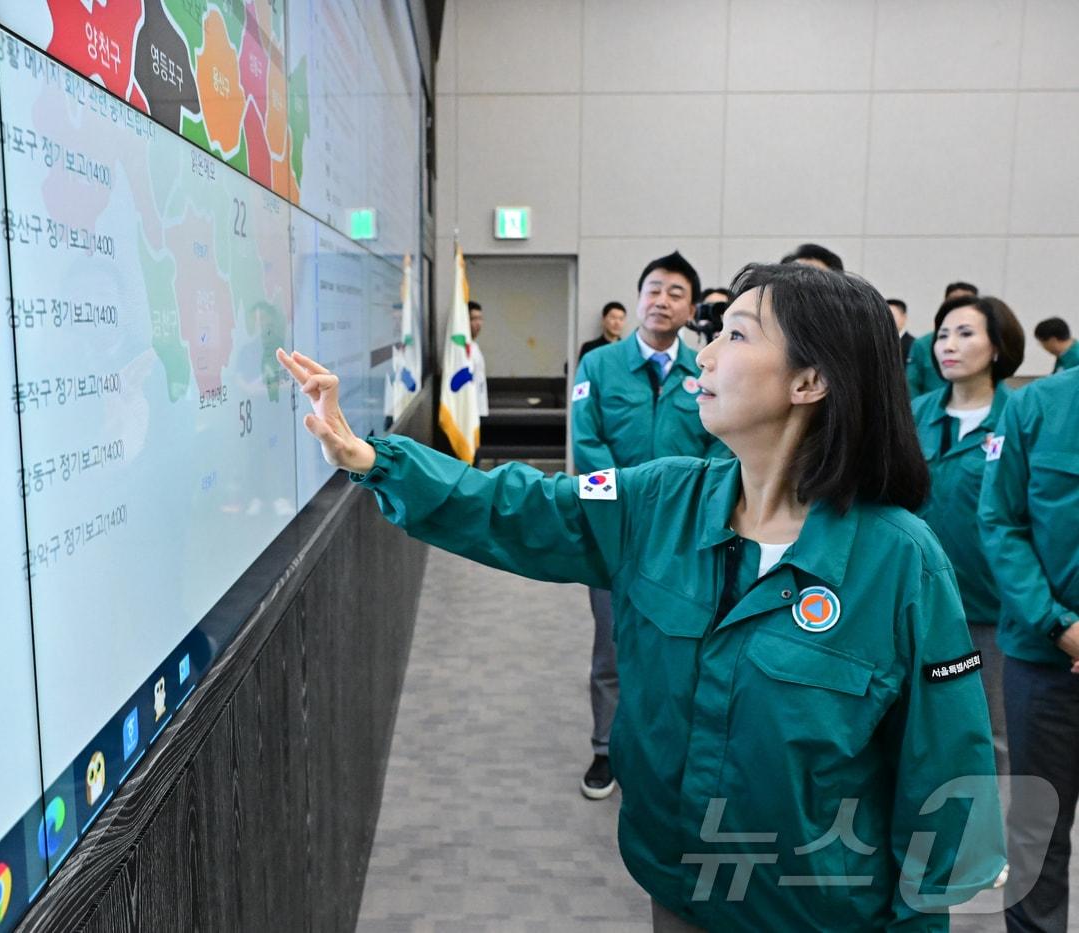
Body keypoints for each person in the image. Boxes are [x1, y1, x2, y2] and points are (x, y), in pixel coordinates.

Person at [277, 262, 1005, 931]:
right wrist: (377, 460)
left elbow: (943, 774)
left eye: (736, 336)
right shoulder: (662, 498)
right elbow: (522, 505)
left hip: (814, 910)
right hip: (679, 885)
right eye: (711, 333)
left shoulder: (902, 563)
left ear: (810, 380)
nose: (707, 354)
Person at [570, 251, 726, 801]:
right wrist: (630, 507)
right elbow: (587, 447)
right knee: (612, 644)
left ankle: (662, 752)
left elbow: (718, 447)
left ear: (692, 309)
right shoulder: (599, 366)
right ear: (638, 299)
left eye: (675, 292)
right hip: (615, 533)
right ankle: (605, 750)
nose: (661, 300)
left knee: (677, 644)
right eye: (653, 289)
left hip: (685, 538)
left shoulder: (707, 370)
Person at [978, 366, 1079, 933]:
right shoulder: (1036, 405)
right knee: (1038, 829)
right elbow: (1000, 522)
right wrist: (1056, 623)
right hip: (1044, 662)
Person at [911, 294, 1025, 776]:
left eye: (965, 333)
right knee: (920, 724)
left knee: (990, 733)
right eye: (941, 335)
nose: (948, 346)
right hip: (916, 603)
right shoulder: (913, 415)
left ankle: (982, 845)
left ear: (998, 347)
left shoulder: (1021, 417)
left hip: (989, 613)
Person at [909, 283, 979, 397]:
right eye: (954, 301)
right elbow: (911, 386)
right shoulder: (922, 345)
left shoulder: (984, 343)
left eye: (966, 302)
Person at [467, 300, 488, 417]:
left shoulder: (475, 347)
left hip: (479, 411)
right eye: (474, 319)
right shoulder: (462, 350)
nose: (478, 323)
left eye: (480, 318)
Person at [888, 298, 913, 365]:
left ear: (904, 317)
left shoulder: (913, 345)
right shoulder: (877, 344)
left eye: (891, 316)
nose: (887, 320)